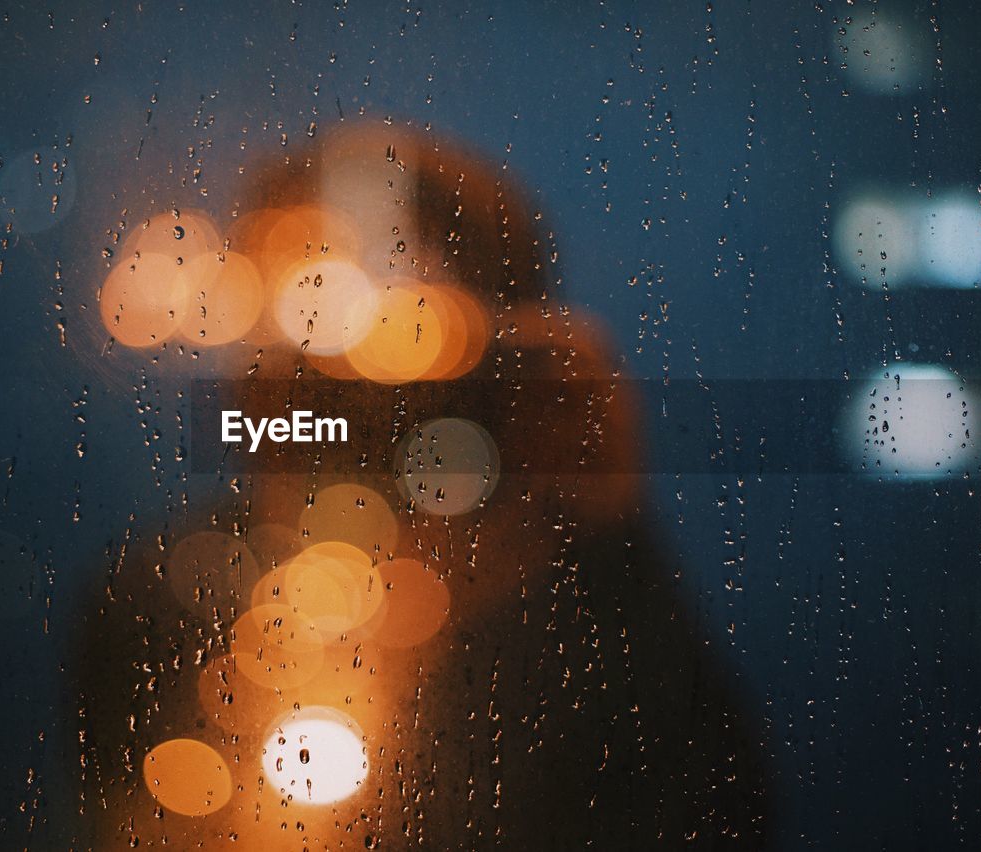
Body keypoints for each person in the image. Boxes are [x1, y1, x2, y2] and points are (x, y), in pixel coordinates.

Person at [68, 123, 768, 849]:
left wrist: (605, 529)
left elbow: (707, 821)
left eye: (421, 348)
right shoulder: (165, 599)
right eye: (304, 338)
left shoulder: (577, 622)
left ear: (511, 376)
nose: (359, 403)